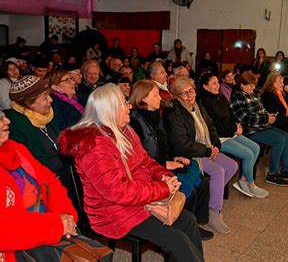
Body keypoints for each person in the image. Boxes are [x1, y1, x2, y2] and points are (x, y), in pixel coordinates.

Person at [58, 84, 204, 261]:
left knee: (188, 221)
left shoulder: (124, 130)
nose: (129, 106)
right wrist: (162, 188)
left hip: (136, 199)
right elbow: (116, 192)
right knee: (176, 240)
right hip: (113, 212)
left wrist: (164, 176)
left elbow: (145, 160)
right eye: (124, 103)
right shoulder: (94, 144)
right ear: (110, 110)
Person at [128, 80, 214, 240]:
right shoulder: (136, 122)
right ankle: (183, 226)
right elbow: (141, 160)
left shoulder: (155, 116)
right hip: (150, 171)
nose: (160, 98)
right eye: (155, 95)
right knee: (191, 190)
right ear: (144, 99)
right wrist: (167, 164)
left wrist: (175, 157)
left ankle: (195, 224)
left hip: (163, 163)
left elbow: (164, 146)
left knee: (202, 182)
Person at [0, 109, 80, 261]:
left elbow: (49, 182)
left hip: (45, 232)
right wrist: (56, 226)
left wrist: (65, 215)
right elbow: (3, 230)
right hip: (14, 250)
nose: (7, 121)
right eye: (0, 118)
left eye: (3, 115)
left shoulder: (15, 148)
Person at [163, 77, 238, 235]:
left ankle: (211, 198)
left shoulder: (198, 106)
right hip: (189, 154)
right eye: (185, 94)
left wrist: (216, 145)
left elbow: (211, 127)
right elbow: (182, 143)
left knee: (232, 166)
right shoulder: (174, 113)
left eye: (192, 91)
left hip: (206, 148)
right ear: (176, 96)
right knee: (218, 171)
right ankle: (213, 211)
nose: (190, 96)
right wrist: (207, 151)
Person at [5, 75, 81, 218]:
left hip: (62, 181)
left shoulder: (48, 115)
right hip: (42, 191)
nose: (50, 100)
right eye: (44, 98)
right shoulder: (15, 126)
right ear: (28, 103)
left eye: (49, 96)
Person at [198, 73, 268, 198]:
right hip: (218, 137)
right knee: (248, 154)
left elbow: (231, 114)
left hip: (230, 131)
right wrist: (234, 128)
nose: (217, 85)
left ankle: (243, 179)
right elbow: (214, 125)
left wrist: (237, 125)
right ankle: (250, 183)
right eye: (213, 83)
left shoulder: (220, 97)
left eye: (217, 82)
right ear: (205, 86)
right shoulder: (203, 102)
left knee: (255, 147)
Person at [229, 72, 288, 186]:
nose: (253, 88)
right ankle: (272, 174)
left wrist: (269, 116)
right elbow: (242, 117)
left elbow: (262, 109)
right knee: (279, 140)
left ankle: (286, 169)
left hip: (262, 125)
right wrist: (265, 118)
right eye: (250, 85)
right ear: (242, 85)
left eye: (254, 85)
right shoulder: (237, 96)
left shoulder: (253, 94)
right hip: (251, 129)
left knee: (286, 136)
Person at [260, 74, 288, 168]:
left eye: (282, 82)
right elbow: (275, 114)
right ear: (272, 83)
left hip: (283, 120)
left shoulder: (280, 93)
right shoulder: (268, 95)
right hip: (275, 123)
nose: (282, 84)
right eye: (280, 82)